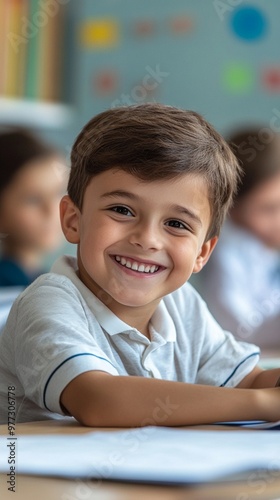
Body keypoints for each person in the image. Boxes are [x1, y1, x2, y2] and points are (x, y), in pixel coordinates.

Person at [0, 104, 280, 426]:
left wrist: (267, 389)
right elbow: (100, 400)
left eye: (176, 223)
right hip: (34, 477)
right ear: (73, 220)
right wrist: (263, 403)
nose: (147, 239)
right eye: (122, 210)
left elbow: (249, 379)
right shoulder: (50, 301)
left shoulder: (182, 304)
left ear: (202, 253)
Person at [195, 128, 280, 349]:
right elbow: (242, 329)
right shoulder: (224, 252)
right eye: (268, 209)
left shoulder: (264, 244)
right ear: (232, 208)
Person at [0, 128, 67, 287]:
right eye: (33, 199)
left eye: (58, 192)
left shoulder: (42, 278)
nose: (51, 210)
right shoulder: (9, 286)